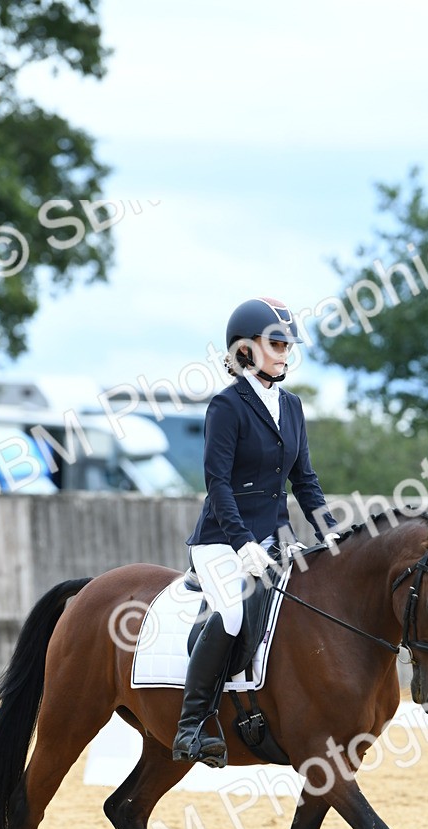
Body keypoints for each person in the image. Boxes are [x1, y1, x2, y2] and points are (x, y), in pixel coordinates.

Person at [172, 296, 339, 767]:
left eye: (289, 344)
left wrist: (328, 531)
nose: (286, 352)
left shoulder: (292, 406)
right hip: (221, 541)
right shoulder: (227, 407)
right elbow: (217, 484)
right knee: (229, 616)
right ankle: (191, 725)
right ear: (245, 350)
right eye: (277, 343)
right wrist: (243, 543)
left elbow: (303, 480)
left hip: (271, 541)